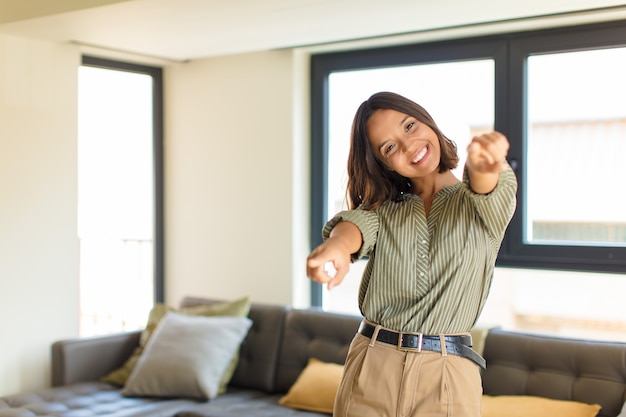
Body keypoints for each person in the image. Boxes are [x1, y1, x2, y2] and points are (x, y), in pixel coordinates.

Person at [306, 91, 517, 417]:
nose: (408, 146)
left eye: (409, 126)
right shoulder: (385, 209)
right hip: (372, 366)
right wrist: (335, 247)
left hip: (448, 376)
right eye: (389, 147)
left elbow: (487, 184)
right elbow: (355, 226)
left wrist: (483, 164)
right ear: (381, 162)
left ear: (427, 122)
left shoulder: (478, 204)